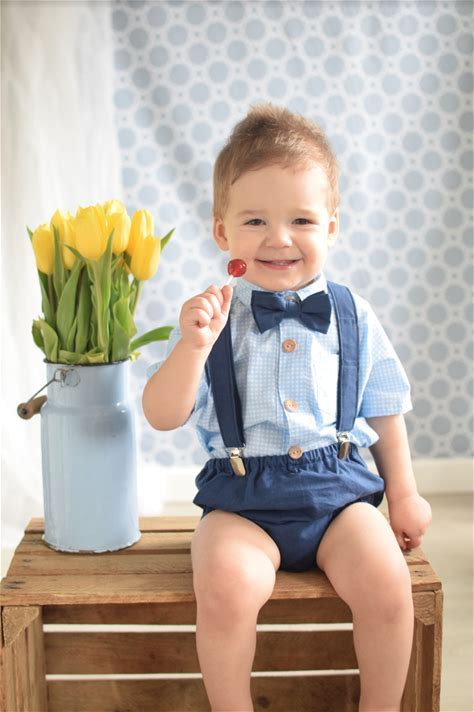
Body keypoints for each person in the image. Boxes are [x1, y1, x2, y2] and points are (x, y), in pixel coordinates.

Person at [142, 103, 432, 712]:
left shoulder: (353, 313)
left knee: (388, 583)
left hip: (339, 497)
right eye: (255, 220)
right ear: (222, 232)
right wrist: (192, 349)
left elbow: (384, 408)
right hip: (242, 501)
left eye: (301, 219)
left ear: (331, 227)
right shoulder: (210, 321)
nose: (279, 238)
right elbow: (163, 415)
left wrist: (403, 494)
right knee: (226, 586)